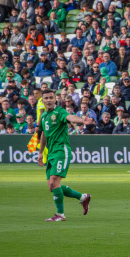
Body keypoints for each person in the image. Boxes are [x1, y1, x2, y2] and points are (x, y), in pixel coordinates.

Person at [37, 89, 93, 222]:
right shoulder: (44, 116)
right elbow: (44, 134)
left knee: (54, 181)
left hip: (61, 151)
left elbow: (70, 117)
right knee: (52, 187)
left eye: (51, 98)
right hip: (51, 153)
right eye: (46, 98)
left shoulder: (60, 112)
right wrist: (40, 152)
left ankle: (60, 214)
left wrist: (81, 121)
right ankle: (83, 197)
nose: (49, 100)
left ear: (55, 99)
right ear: (43, 100)